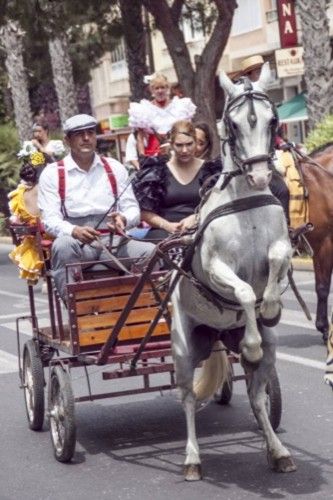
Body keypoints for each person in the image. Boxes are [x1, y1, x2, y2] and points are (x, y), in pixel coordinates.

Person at [38, 114, 155, 301]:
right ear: (67, 140)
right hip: (76, 244)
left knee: (150, 253)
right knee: (62, 246)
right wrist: (73, 230)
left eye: (90, 133)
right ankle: (78, 313)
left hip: (112, 242)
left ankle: (138, 310)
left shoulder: (115, 168)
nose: (86, 138)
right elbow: (50, 220)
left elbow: (132, 208)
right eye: (79, 134)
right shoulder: (52, 173)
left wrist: (124, 219)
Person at [133, 120, 221, 241]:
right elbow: (144, 211)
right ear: (171, 144)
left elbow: (220, 203)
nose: (184, 150)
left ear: (196, 142)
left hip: (202, 229)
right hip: (163, 232)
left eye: (189, 144)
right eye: (179, 145)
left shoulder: (211, 170)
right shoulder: (156, 171)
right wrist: (166, 225)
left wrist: (198, 217)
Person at [238, 55, 290, 222]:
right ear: (249, 74)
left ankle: (288, 228)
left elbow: (271, 128)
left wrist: (281, 142)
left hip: (267, 152)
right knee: (281, 190)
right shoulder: (243, 98)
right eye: (258, 71)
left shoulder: (264, 97)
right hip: (248, 156)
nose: (262, 74)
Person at [128, 73, 196, 160]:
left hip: (178, 151)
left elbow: (190, 131)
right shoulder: (143, 109)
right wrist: (142, 157)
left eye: (163, 87)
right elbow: (140, 137)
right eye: (156, 88)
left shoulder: (181, 106)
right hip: (153, 154)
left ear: (168, 88)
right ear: (152, 90)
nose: (160, 91)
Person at [8, 151, 48, 283]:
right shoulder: (43, 189)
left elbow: (17, 219)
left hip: (31, 245)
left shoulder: (19, 195)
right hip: (48, 241)